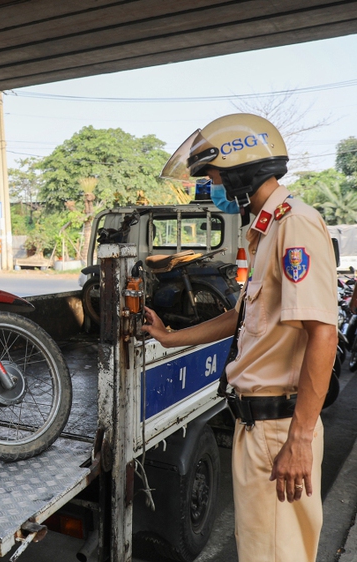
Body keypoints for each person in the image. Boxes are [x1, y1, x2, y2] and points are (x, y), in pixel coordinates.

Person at [146, 113, 337, 562]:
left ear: (239, 171)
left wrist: (300, 438)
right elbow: (241, 317)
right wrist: (170, 337)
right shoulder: (266, 230)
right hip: (260, 425)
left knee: (273, 553)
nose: (208, 186)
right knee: (261, 548)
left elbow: (322, 333)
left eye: (211, 176)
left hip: (278, 427)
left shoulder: (296, 225)